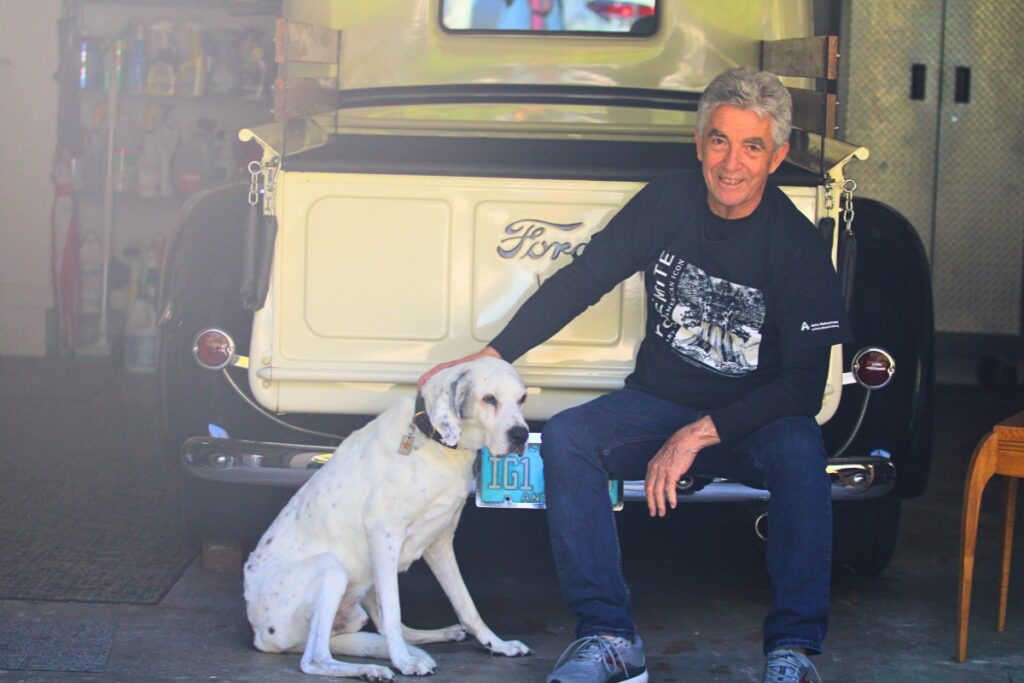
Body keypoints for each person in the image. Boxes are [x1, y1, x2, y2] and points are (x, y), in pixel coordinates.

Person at [419, 67, 849, 683]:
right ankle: (609, 639)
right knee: (569, 437)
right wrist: (490, 356)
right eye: (720, 141)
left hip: (757, 418)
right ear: (700, 144)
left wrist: (699, 433)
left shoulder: (797, 246)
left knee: (802, 450)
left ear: (776, 157)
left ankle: (792, 652)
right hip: (659, 400)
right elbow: (583, 281)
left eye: (752, 146)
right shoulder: (668, 202)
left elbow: (804, 386)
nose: (732, 163)